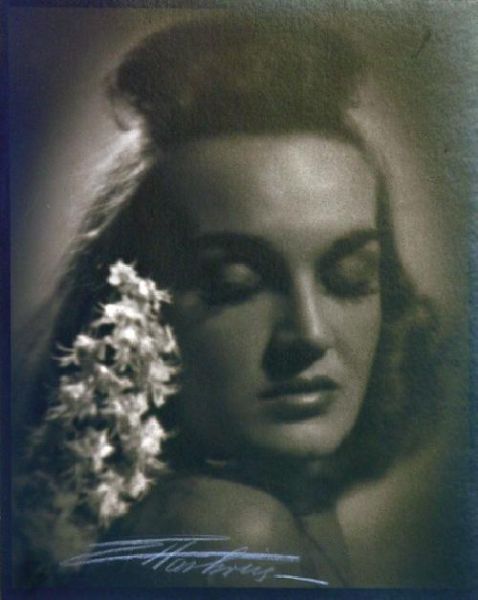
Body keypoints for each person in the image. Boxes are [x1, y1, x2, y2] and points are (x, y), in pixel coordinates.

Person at [13, 14, 440, 588]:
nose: (310, 333)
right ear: (129, 313)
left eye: (349, 277)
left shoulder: (288, 504)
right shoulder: (234, 531)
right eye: (235, 284)